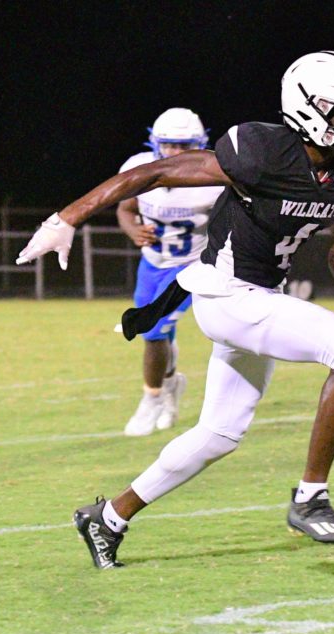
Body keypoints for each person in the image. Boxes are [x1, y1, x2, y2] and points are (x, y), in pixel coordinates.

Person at [16, 51, 334, 568]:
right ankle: (311, 498)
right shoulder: (262, 151)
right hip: (226, 295)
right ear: (308, 107)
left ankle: (108, 518)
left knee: (218, 435)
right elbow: (157, 172)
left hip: (263, 296)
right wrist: (67, 218)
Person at [116, 108, 224, 436]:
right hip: (152, 264)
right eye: (169, 144)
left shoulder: (214, 178)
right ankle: (171, 385)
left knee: (153, 329)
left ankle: (152, 397)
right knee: (159, 334)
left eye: (184, 145)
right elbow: (125, 208)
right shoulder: (138, 168)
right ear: (155, 143)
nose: (176, 152)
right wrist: (134, 231)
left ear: (199, 145)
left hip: (190, 266)